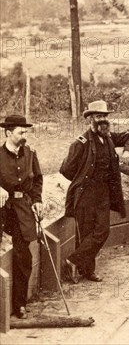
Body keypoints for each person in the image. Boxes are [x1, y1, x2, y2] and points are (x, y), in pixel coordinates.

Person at [60, 100, 129, 283]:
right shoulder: (81, 143)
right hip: (86, 194)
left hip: (103, 194)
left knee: (102, 231)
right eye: (98, 116)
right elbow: (65, 169)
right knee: (86, 233)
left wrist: (127, 151)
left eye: (104, 116)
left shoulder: (110, 137)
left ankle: (71, 260)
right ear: (90, 119)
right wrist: (82, 179)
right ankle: (86, 271)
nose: (102, 120)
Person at [0, 115, 43, 319]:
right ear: (8, 133)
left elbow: (38, 180)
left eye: (25, 132)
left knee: (24, 256)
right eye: (20, 132)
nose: (24, 135)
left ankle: (19, 304)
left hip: (23, 209)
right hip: (2, 210)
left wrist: (37, 200)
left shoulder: (30, 154)